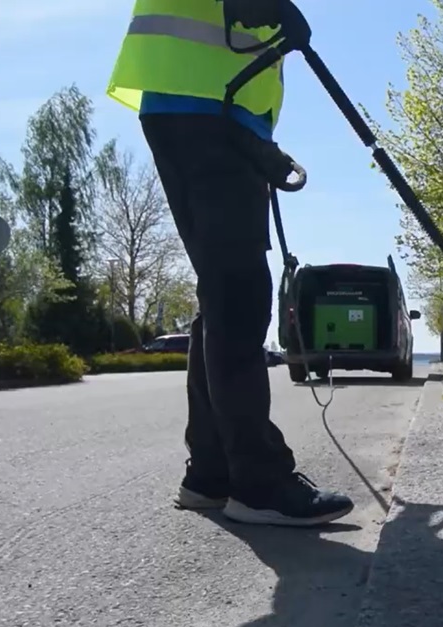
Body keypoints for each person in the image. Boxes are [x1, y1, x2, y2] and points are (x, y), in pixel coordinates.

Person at [106, 0, 354, 526]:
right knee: (239, 291)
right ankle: (258, 482)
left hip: (205, 102)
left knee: (222, 291)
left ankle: (213, 473)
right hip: (205, 103)